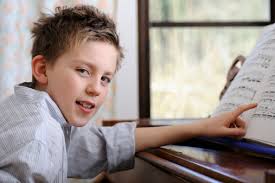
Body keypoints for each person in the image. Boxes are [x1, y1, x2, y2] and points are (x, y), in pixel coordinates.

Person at [0, 4, 256, 182]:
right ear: (42, 69)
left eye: (105, 78)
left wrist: (200, 127)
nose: (96, 88)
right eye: (82, 70)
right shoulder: (35, 136)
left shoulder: (42, 117)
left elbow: (102, 145)